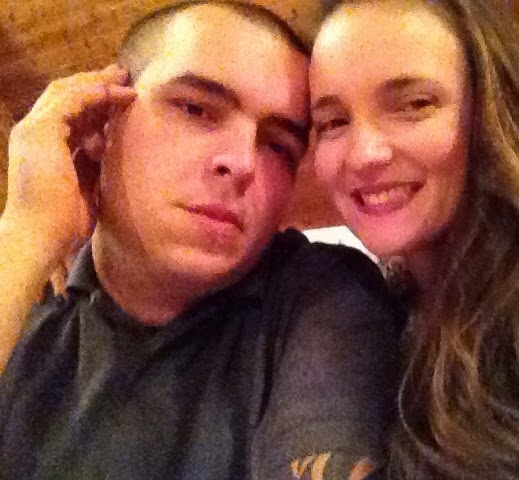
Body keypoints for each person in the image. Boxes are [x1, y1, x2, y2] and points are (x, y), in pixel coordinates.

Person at [0, 2, 401, 479]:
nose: (243, 162)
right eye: (195, 109)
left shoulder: (322, 295)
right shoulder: (24, 320)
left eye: (278, 145)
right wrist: (27, 232)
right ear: (100, 121)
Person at [310, 0, 519, 479]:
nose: (363, 155)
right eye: (333, 122)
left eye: (414, 104)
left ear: (492, 108)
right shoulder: (377, 317)